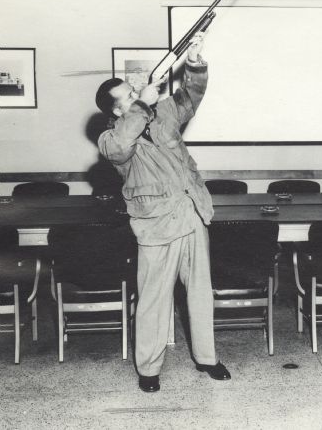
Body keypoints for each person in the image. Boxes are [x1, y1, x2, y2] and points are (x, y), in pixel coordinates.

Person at [95, 33, 230, 393]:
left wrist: (195, 63)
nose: (137, 96)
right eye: (128, 97)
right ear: (115, 111)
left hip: (191, 214)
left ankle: (207, 359)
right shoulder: (111, 140)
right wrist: (143, 105)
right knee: (154, 298)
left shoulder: (163, 114)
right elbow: (124, 144)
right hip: (155, 226)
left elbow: (191, 96)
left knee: (201, 292)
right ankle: (149, 368)